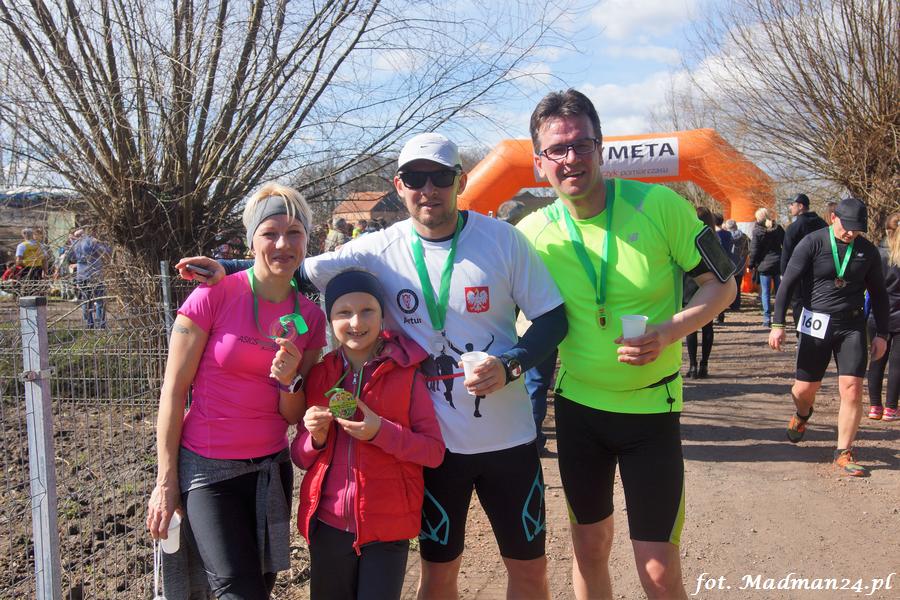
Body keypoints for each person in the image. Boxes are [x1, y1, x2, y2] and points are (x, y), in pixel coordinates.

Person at [177, 133, 567, 599]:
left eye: (440, 177)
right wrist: (227, 267)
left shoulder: (504, 240)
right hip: (437, 448)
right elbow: (292, 265)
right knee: (438, 575)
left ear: (460, 181)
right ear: (398, 186)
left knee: (529, 572)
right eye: (414, 178)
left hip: (509, 441)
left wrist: (510, 365)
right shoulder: (379, 247)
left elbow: (553, 318)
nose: (428, 189)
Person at [516, 89, 735, 600]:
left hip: (650, 411)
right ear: (539, 161)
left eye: (581, 144)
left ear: (601, 147)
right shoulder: (530, 233)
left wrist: (670, 331)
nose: (571, 159)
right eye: (557, 149)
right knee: (589, 548)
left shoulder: (659, 206)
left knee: (657, 570)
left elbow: (722, 285)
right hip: (579, 411)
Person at [146, 183, 327, 598]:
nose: (282, 244)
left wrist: (290, 379)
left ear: (307, 240)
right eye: (270, 233)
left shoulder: (311, 318)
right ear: (251, 240)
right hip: (208, 470)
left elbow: (293, 415)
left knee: (260, 586)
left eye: (294, 232)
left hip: (270, 471)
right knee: (238, 589)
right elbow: (173, 391)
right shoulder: (212, 295)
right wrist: (166, 480)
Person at [293, 269, 445, 599]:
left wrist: (381, 432)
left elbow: (433, 452)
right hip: (328, 525)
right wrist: (315, 438)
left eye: (367, 310)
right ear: (330, 319)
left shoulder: (406, 375)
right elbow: (300, 457)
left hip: (387, 529)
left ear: (382, 315)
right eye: (343, 312)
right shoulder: (320, 375)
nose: (356, 322)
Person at [769, 197, 888, 477]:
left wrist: (881, 334)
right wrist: (777, 324)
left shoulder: (867, 251)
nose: (851, 233)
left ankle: (843, 451)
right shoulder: (812, 243)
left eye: (857, 229)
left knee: (852, 388)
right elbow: (787, 284)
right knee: (803, 390)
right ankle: (802, 414)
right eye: (848, 226)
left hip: (852, 326)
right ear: (834, 217)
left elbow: (879, 294)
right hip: (816, 323)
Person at [498, 199, 558, 455]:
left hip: (535, 327)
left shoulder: (510, 244)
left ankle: (532, 440)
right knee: (536, 385)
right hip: (535, 328)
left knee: (535, 385)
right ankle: (531, 440)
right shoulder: (523, 243)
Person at [866, 213, 900, 422]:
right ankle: (891, 408)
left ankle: (874, 406)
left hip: (878, 313)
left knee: (877, 360)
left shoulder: (876, 253)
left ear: (887, 230)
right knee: (897, 364)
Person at [781, 193, 828, 328]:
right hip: (822, 271)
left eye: (792, 204)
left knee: (798, 302)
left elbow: (786, 253)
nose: (790, 207)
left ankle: (800, 332)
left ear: (800, 206)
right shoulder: (823, 224)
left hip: (799, 272)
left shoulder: (794, 227)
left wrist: (784, 274)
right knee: (820, 301)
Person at [684, 208, 719, 379]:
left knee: (691, 327)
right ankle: (704, 365)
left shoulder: (688, 237)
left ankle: (692, 366)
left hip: (690, 284)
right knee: (707, 326)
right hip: (709, 285)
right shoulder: (713, 239)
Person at [65, 229, 111, 329]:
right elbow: (107, 252)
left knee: (86, 300)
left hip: (81, 275)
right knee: (99, 301)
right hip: (95, 274)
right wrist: (99, 243)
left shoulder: (75, 244)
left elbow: (71, 257)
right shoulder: (91, 242)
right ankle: (101, 325)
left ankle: (89, 324)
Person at [749, 208, 784, 327]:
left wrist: (751, 264)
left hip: (764, 265)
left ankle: (767, 318)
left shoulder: (757, 231)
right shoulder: (778, 228)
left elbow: (754, 250)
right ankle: (780, 317)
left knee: (765, 293)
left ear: (758, 218)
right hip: (778, 263)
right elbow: (785, 243)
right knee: (779, 292)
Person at [725, 219, 750, 311]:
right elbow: (749, 249)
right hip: (740, 266)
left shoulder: (727, 236)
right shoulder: (744, 237)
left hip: (729, 266)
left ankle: (727, 304)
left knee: (727, 288)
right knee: (737, 287)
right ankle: (736, 306)